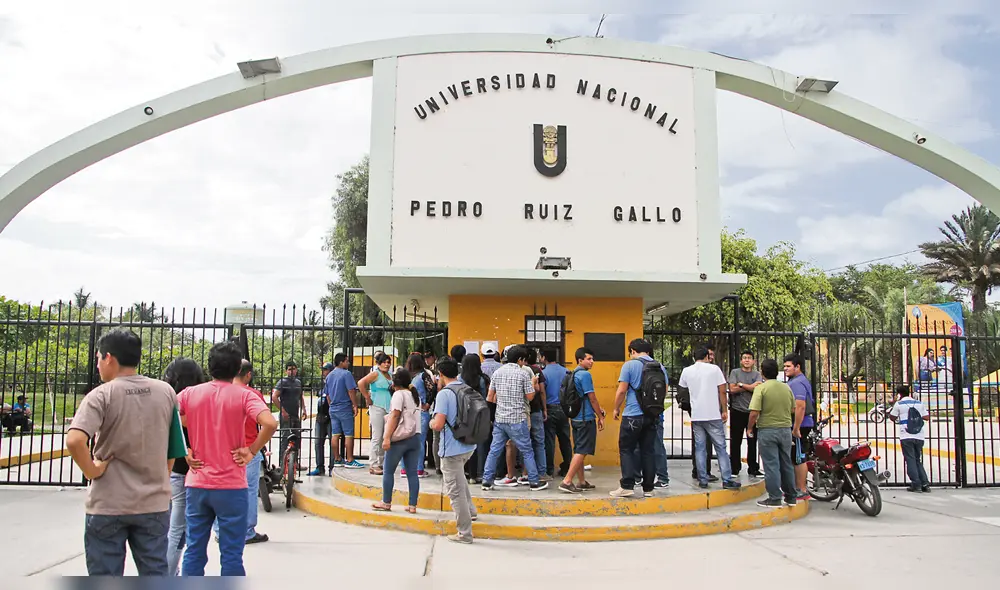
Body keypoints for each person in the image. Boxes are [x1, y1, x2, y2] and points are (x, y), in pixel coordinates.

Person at [66, 329, 187, 576]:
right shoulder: (165, 392)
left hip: (109, 504)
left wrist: (92, 470)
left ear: (109, 357)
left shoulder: (101, 395)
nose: (99, 365)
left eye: (99, 358)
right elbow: (173, 448)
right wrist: (159, 483)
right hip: (153, 504)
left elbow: (75, 440)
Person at [179, 341, 276, 577]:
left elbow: (166, 415)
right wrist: (252, 450)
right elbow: (270, 423)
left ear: (209, 367)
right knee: (232, 554)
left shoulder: (190, 393)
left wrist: (184, 448)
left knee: (194, 550)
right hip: (232, 485)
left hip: (198, 483)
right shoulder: (244, 396)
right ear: (236, 369)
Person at [211, 360, 270, 545]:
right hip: (248, 450)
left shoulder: (216, 393)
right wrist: (254, 449)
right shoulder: (252, 395)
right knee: (248, 492)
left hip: (221, 450)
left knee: (220, 490)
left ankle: (220, 531)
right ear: (248, 375)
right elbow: (267, 423)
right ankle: (246, 532)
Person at [163, 357, 207, 576]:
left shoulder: (168, 400)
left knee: (178, 529)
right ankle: (169, 574)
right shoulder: (198, 401)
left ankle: (173, 571)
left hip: (174, 470)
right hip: (191, 471)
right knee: (180, 530)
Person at [482, 346, 547, 491]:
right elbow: (530, 397)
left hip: (500, 419)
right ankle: (534, 482)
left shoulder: (497, 373)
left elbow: (490, 397)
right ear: (519, 359)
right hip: (518, 419)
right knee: (527, 450)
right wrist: (533, 384)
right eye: (523, 360)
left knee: (494, 450)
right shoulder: (523, 374)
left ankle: (487, 480)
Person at [430, 356, 480, 543]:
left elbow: (439, 423)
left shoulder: (444, 393)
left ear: (441, 374)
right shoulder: (466, 389)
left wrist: (431, 422)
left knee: (455, 490)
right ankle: (471, 511)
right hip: (468, 445)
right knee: (460, 479)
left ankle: (464, 533)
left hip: (450, 448)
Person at [609, 339, 668, 497]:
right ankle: (648, 488)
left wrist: (616, 408)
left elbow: (622, 391)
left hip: (633, 415)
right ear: (648, 351)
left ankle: (627, 485)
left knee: (627, 449)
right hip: (652, 416)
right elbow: (665, 390)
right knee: (648, 451)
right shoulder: (660, 367)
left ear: (633, 351)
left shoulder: (629, 365)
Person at [681, 346, 742, 490]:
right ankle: (726, 479)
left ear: (694, 357)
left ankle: (703, 479)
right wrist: (724, 410)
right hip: (713, 414)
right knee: (721, 447)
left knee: (700, 448)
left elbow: (683, 389)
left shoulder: (686, 371)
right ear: (707, 357)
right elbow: (722, 391)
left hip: (697, 415)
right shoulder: (714, 369)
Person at [746, 359, 797, 507]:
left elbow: (754, 412)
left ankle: (775, 497)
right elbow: (793, 408)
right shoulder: (786, 388)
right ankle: (791, 496)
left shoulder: (761, 388)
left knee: (771, 465)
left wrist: (750, 428)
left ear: (762, 372)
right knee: (786, 463)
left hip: (767, 430)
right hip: (785, 429)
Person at [373, 369, 423, 512]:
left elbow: (395, 416)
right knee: (412, 473)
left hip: (400, 439)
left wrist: (387, 437)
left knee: (388, 471)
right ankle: (412, 506)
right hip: (415, 437)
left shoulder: (398, 395)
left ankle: (386, 502)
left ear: (394, 382)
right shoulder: (414, 395)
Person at [559, 347, 605, 493]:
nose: (592, 362)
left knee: (579, 450)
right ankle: (567, 481)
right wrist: (600, 416)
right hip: (586, 418)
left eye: (592, 359)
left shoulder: (573, 374)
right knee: (582, 451)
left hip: (576, 417)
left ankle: (581, 481)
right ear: (580, 360)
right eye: (589, 359)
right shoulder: (584, 375)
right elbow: (592, 398)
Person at [325, 353, 364, 470]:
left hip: (333, 408)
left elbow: (327, 395)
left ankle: (337, 459)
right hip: (345, 408)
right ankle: (350, 459)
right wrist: (355, 405)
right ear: (341, 362)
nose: (348, 363)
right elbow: (351, 391)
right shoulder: (346, 374)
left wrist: (331, 404)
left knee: (335, 434)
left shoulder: (329, 376)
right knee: (348, 434)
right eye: (347, 361)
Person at [889, 385, 931, 493]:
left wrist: (894, 403)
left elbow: (892, 417)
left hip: (906, 436)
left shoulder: (899, 404)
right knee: (918, 460)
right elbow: (926, 417)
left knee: (910, 460)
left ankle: (916, 484)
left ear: (899, 394)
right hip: (919, 436)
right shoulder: (919, 403)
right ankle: (925, 484)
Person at [729, 350, 764, 478]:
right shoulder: (735, 372)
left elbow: (758, 388)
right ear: (741, 360)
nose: (747, 360)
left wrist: (742, 385)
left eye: (749, 358)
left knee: (752, 441)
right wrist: (750, 386)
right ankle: (734, 468)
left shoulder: (757, 374)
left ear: (753, 361)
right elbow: (732, 389)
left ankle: (753, 468)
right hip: (737, 411)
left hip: (752, 413)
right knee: (735, 441)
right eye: (744, 358)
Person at [784, 353, 814, 500]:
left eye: (788, 366)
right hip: (799, 424)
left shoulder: (797, 383)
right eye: (784, 366)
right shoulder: (797, 380)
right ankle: (797, 488)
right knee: (795, 456)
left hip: (800, 425)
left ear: (797, 367)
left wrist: (796, 428)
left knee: (798, 458)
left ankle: (802, 489)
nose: (785, 369)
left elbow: (800, 406)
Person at [359, 352, 394, 475]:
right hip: (377, 406)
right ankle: (373, 464)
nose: (387, 364)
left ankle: (381, 462)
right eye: (384, 362)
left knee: (385, 436)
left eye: (388, 362)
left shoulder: (390, 375)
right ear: (378, 363)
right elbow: (361, 383)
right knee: (377, 436)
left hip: (388, 407)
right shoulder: (375, 374)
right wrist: (367, 397)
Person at [541, 349, 572, 478]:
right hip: (564, 409)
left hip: (550, 408)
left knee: (549, 440)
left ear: (544, 357)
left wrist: (544, 410)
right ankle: (568, 467)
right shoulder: (566, 371)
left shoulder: (543, 373)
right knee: (565, 439)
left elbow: (542, 392)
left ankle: (549, 469)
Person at [460, 354, 490, 481]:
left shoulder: (460, 379)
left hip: (464, 416)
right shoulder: (482, 379)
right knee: (481, 445)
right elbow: (484, 398)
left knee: (465, 444)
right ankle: (478, 473)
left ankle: (466, 471)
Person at [272, 361, 305, 470]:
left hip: (296, 415)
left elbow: (301, 396)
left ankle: (295, 463)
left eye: (294, 369)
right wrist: (283, 411)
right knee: (285, 439)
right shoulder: (282, 382)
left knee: (297, 439)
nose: (292, 371)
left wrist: (304, 409)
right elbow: (274, 397)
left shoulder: (298, 382)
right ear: (286, 371)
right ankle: (282, 465)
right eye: (290, 369)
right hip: (286, 416)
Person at [406, 353, 434, 478]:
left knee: (406, 439)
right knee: (420, 441)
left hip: (408, 412)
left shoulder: (406, 376)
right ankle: (419, 469)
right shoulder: (423, 375)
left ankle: (404, 469)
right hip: (421, 412)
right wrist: (428, 403)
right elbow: (432, 389)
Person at [309, 362, 336, 476]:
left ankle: (332, 467)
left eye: (325, 370)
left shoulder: (334, 382)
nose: (323, 372)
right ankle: (319, 467)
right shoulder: (321, 383)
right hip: (320, 416)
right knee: (318, 443)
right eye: (323, 370)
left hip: (331, 416)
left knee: (332, 442)